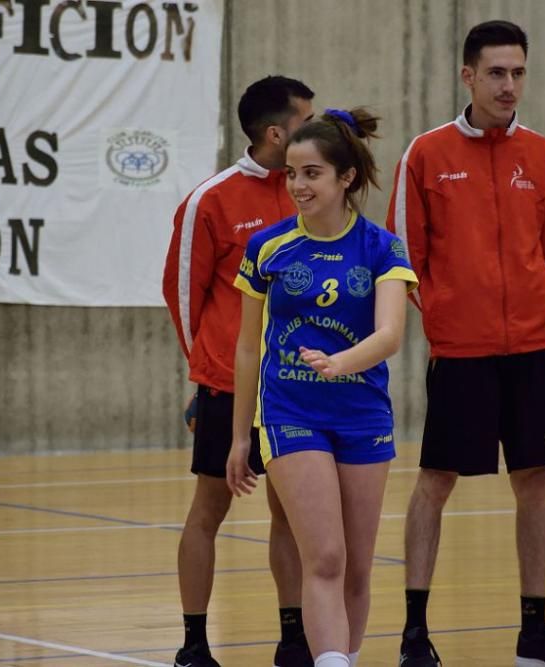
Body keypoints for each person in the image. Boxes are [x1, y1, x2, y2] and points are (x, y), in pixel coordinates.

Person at [386, 20, 545, 667]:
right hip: (463, 353)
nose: (509, 85)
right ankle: (414, 633)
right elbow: (404, 257)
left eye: (518, 72)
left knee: (535, 481)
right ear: (468, 75)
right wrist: (448, 317)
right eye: (497, 72)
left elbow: (544, 251)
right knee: (435, 481)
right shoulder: (426, 154)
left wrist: (523, 308)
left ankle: (535, 632)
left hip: (533, 348)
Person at [228, 107, 418, 667]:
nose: (297, 185)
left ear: (345, 178)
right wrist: (242, 437)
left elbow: (389, 334)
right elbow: (245, 346)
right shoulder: (268, 247)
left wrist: (340, 362)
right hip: (291, 414)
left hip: (363, 416)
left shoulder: (383, 248)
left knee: (358, 566)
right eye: (290, 173)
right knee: (327, 558)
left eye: (311, 173)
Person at [162, 75, 316, 667]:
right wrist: (208, 376)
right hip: (230, 386)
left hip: (296, 388)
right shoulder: (212, 200)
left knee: (291, 513)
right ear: (277, 133)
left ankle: (293, 638)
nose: (318, 126)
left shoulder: (312, 188)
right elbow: (182, 295)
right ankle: (194, 643)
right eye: (307, 118)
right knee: (209, 510)